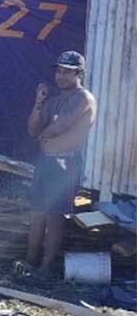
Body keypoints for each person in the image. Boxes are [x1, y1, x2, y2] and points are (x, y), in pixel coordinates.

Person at [19, 50, 97, 282]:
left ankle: (46, 268)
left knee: (55, 216)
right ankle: (30, 262)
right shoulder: (53, 101)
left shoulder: (84, 98)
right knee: (37, 213)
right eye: (59, 70)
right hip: (47, 162)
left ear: (78, 73)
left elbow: (60, 127)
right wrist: (39, 102)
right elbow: (33, 130)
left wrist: (45, 138)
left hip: (67, 163)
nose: (61, 76)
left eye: (68, 72)